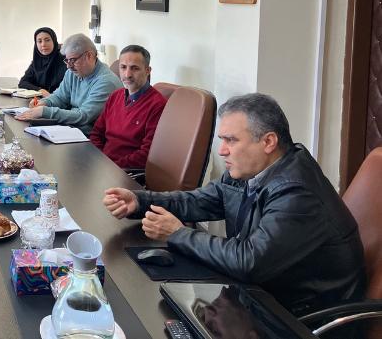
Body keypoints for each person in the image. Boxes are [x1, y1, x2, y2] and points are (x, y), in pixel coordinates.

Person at [103, 93, 365, 316]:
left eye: (231, 140)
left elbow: (250, 261)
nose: (222, 150)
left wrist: (178, 234)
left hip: (298, 317)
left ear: (268, 142)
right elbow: (199, 200)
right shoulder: (249, 170)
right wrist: (140, 201)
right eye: (222, 140)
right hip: (260, 296)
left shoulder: (297, 192)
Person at [16, 33, 122, 134]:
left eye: (72, 60)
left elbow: (84, 116)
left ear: (89, 56)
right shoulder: (73, 72)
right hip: (73, 128)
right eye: (66, 60)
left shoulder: (106, 82)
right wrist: (44, 103)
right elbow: (60, 97)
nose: (68, 66)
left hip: (91, 137)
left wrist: (44, 111)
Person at [90, 45, 166, 169]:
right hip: (102, 165)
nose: (127, 74)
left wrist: (110, 168)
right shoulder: (115, 96)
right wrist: (99, 160)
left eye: (135, 68)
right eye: (123, 67)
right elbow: (96, 134)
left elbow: (146, 154)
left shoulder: (157, 105)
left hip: (125, 172)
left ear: (147, 71)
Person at [18, 26, 67, 96]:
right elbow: (23, 82)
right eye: (39, 41)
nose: (43, 44)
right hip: (41, 100)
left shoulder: (66, 60)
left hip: (61, 100)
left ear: (54, 41)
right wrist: (40, 90)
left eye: (47, 40)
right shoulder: (37, 61)